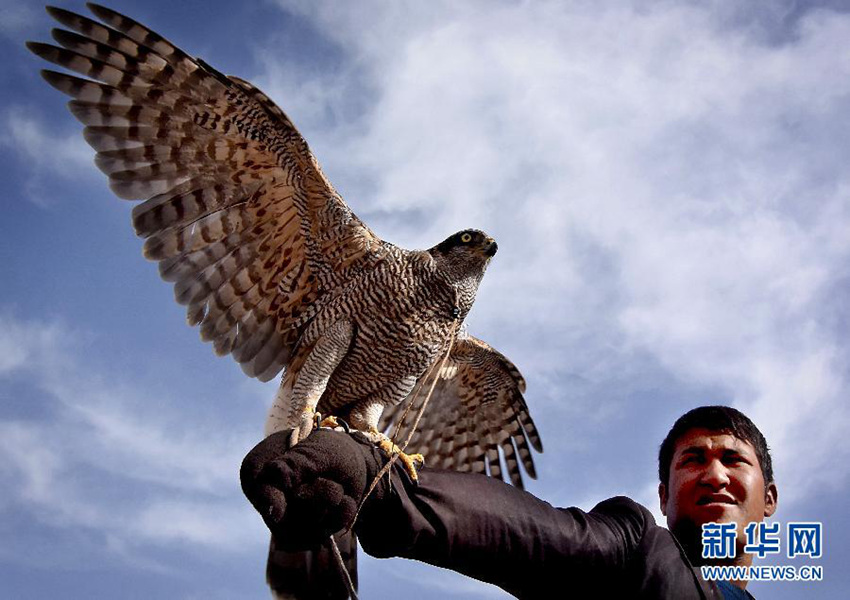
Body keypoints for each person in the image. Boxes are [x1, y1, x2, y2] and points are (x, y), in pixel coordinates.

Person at [241, 405, 778, 599]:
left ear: (768, 498)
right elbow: (535, 535)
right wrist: (383, 484)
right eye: (692, 460)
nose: (713, 474)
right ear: (663, 496)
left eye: (734, 460)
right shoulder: (639, 553)